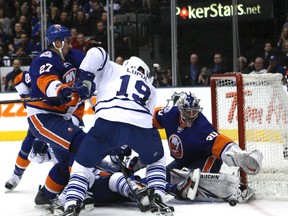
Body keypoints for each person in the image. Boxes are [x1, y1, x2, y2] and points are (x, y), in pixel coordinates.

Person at [61, 50, 174, 215]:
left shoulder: (113, 68)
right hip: (139, 124)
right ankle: (158, 195)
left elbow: (96, 52)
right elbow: (145, 119)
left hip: (107, 122)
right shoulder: (151, 87)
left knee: (82, 165)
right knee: (156, 160)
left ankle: (72, 202)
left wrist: (85, 78)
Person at [25, 24, 93, 205]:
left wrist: (88, 84)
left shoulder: (75, 56)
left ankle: (46, 195)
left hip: (62, 117)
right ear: (57, 42)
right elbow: (46, 81)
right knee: (80, 143)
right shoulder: (44, 59)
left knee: (65, 162)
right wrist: (62, 89)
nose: (70, 44)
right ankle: (75, 194)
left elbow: (94, 71)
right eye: (67, 41)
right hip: (43, 116)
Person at [152, 92, 263, 196]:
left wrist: (237, 154)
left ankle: (236, 189)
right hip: (185, 160)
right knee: (160, 177)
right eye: (187, 112)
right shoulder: (170, 114)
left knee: (192, 181)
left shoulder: (201, 126)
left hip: (207, 158)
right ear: (181, 110)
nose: (191, 115)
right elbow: (152, 117)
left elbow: (219, 141)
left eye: (194, 111)